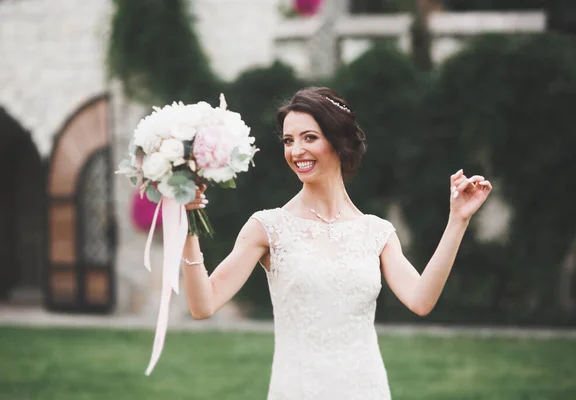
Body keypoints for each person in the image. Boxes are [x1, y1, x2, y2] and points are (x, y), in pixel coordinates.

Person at [181, 87, 492, 399]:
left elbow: (421, 300)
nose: (296, 150)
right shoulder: (268, 227)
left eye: (309, 137)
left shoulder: (376, 232)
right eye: (289, 140)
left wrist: (458, 220)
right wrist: (188, 226)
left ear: (340, 143)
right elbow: (203, 305)